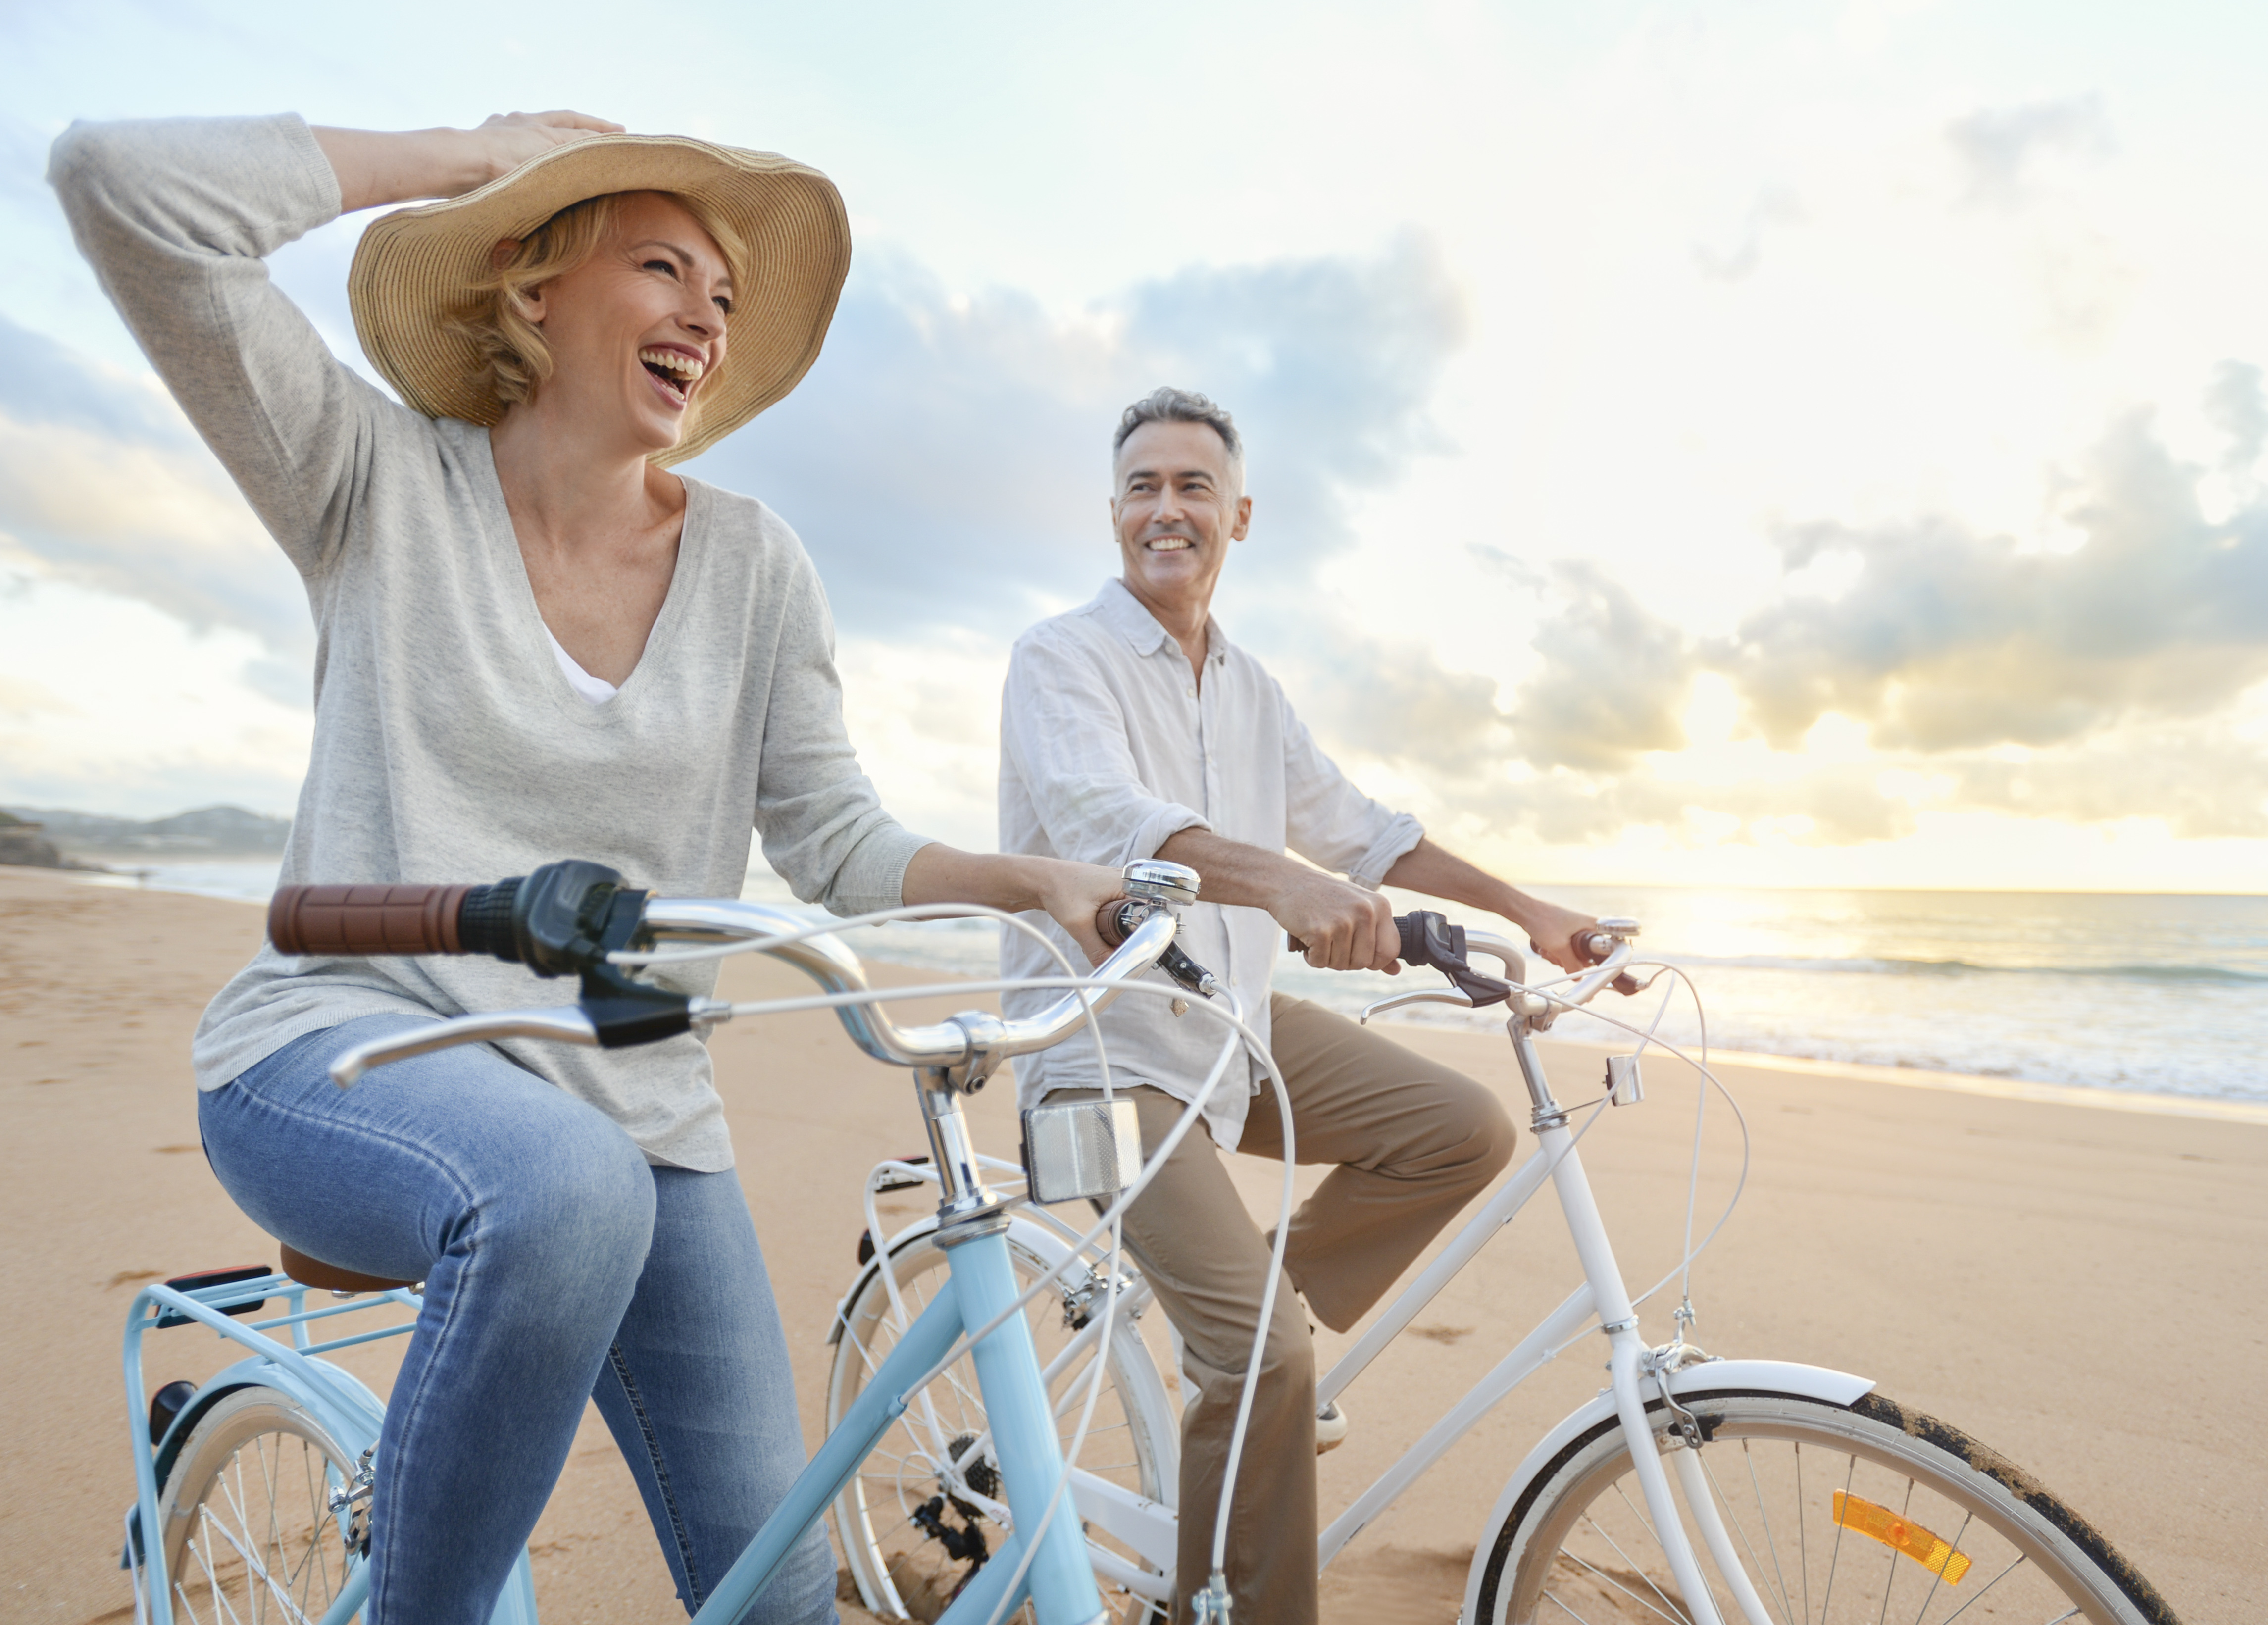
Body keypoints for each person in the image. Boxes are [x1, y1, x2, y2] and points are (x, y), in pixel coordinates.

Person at [51, 110, 1122, 1625]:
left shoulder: (756, 566)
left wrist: (1033, 880)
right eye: (662, 266)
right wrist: (453, 157)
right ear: (534, 287)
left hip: (640, 1110)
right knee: (563, 1189)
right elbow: (126, 191)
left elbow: (832, 835)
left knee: (777, 1595)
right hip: (342, 1045)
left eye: (725, 298)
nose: (705, 314)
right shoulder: (370, 481)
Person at [997, 387, 1619, 1624]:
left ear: (1239, 514)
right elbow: (1106, 827)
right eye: (1140, 487)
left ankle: (1250, 1324)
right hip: (1100, 1047)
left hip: (1226, 1023)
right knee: (1265, 1359)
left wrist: (1529, 911)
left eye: (1190, 488)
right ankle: (1227, 1583)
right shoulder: (1058, 659)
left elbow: (1362, 831)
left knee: (1459, 1129)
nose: (1164, 509)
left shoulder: (1249, 686)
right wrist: (1285, 887)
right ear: (1114, 512)